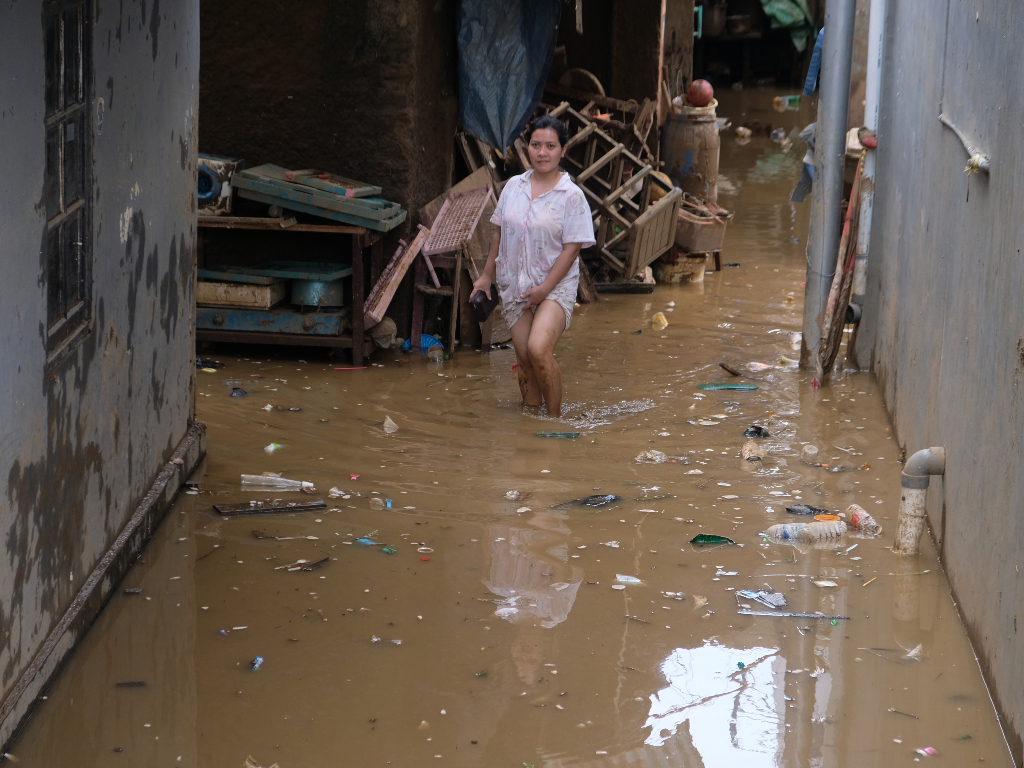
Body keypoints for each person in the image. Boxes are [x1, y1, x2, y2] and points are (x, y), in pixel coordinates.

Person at [471, 115, 595, 417]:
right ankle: (530, 418)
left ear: (562, 150)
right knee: (524, 356)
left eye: (550, 146)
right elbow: (499, 231)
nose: (542, 152)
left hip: (554, 286)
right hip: (515, 283)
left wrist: (544, 290)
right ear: (528, 149)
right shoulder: (514, 186)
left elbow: (571, 250)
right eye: (536, 145)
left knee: (539, 348)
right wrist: (486, 276)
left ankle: (554, 421)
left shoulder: (572, 197)